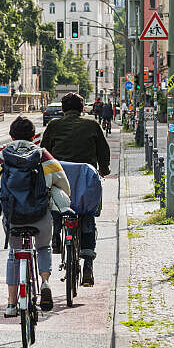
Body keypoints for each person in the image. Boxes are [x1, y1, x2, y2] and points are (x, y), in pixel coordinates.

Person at [0, 116, 70, 316]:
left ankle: (12, 303)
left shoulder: (2, 157)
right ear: (34, 136)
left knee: (14, 254)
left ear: (11, 136)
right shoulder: (43, 156)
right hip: (40, 216)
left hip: (13, 217)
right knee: (43, 247)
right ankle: (45, 282)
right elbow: (62, 181)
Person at [40, 92, 110, 286]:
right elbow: (103, 152)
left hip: (60, 180)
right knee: (87, 215)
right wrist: (104, 169)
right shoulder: (92, 125)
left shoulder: (54, 125)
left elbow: (44, 152)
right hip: (85, 181)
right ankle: (87, 264)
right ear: (82, 109)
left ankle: (55, 236)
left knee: (55, 203)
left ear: (62, 109)